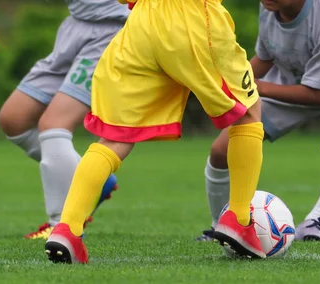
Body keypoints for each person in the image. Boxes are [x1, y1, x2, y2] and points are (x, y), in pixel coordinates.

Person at [44, 0, 268, 264]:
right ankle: (240, 219)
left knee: (115, 138)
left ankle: (68, 228)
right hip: (190, 16)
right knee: (248, 112)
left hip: (140, 24)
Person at [197, 0, 320, 243]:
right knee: (221, 150)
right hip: (285, 81)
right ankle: (221, 227)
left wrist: (258, 88)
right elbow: (265, 58)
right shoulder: (270, 6)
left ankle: (314, 222)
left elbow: (319, 95)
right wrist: (230, 83)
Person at [0, 0, 129, 240]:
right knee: (13, 118)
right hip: (76, 24)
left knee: (53, 124)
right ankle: (93, 178)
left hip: (112, 29)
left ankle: (63, 225)